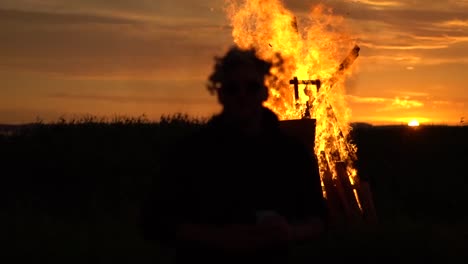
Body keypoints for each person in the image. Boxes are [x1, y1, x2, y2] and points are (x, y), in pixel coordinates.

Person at [140, 46, 327, 264]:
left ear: (265, 92)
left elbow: (319, 219)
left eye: (251, 87)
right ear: (219, 93)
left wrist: (289, 233)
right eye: (232, 88)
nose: (242, 95)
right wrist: (220, 237)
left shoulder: (290, 153)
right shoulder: (192, 153)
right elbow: (155, 221)